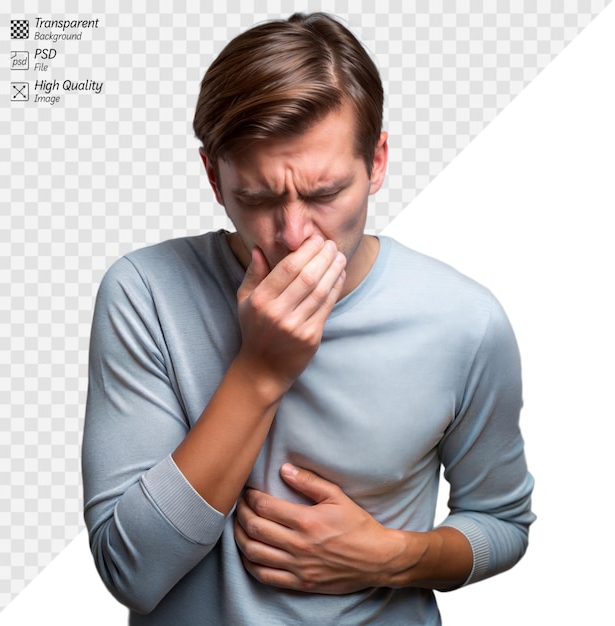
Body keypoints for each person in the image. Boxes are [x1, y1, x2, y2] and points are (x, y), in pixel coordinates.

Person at [82, 12, 535, 625]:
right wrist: (260, 371)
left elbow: (501, 522)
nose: (294, 235)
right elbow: (131, 572)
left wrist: (392, 557)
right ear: (214, 177)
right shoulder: (145, 293)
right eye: (259, 199)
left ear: (377, 162)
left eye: (325, 195)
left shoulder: (465, 321)